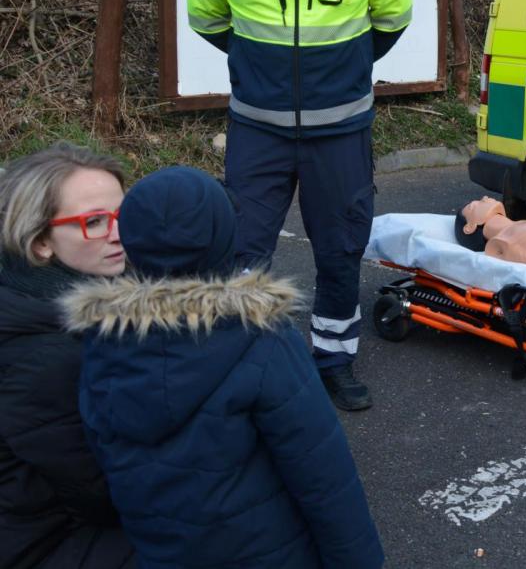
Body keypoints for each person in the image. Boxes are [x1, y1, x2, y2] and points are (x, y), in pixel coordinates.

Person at [187, 0, 414, 410]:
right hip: (257, 129)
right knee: (242, 250)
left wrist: (343, 67)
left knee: (339, 248)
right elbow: (205, 16)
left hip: (340, 131)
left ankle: (333, 360)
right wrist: (258, 66)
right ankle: (244, 365)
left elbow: (393, 16)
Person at [63, 167, 384, 569]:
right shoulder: (260, 338)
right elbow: (322, 472)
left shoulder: (101, 341)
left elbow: (106, 455)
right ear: (223, 235)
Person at [0, 144, 135, 569]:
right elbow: (101, 493)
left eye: (124, 215)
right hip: (43, 541)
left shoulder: (38, 288)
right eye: (94, 222)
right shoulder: (46, 354)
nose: (119, 233)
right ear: (41, 242)